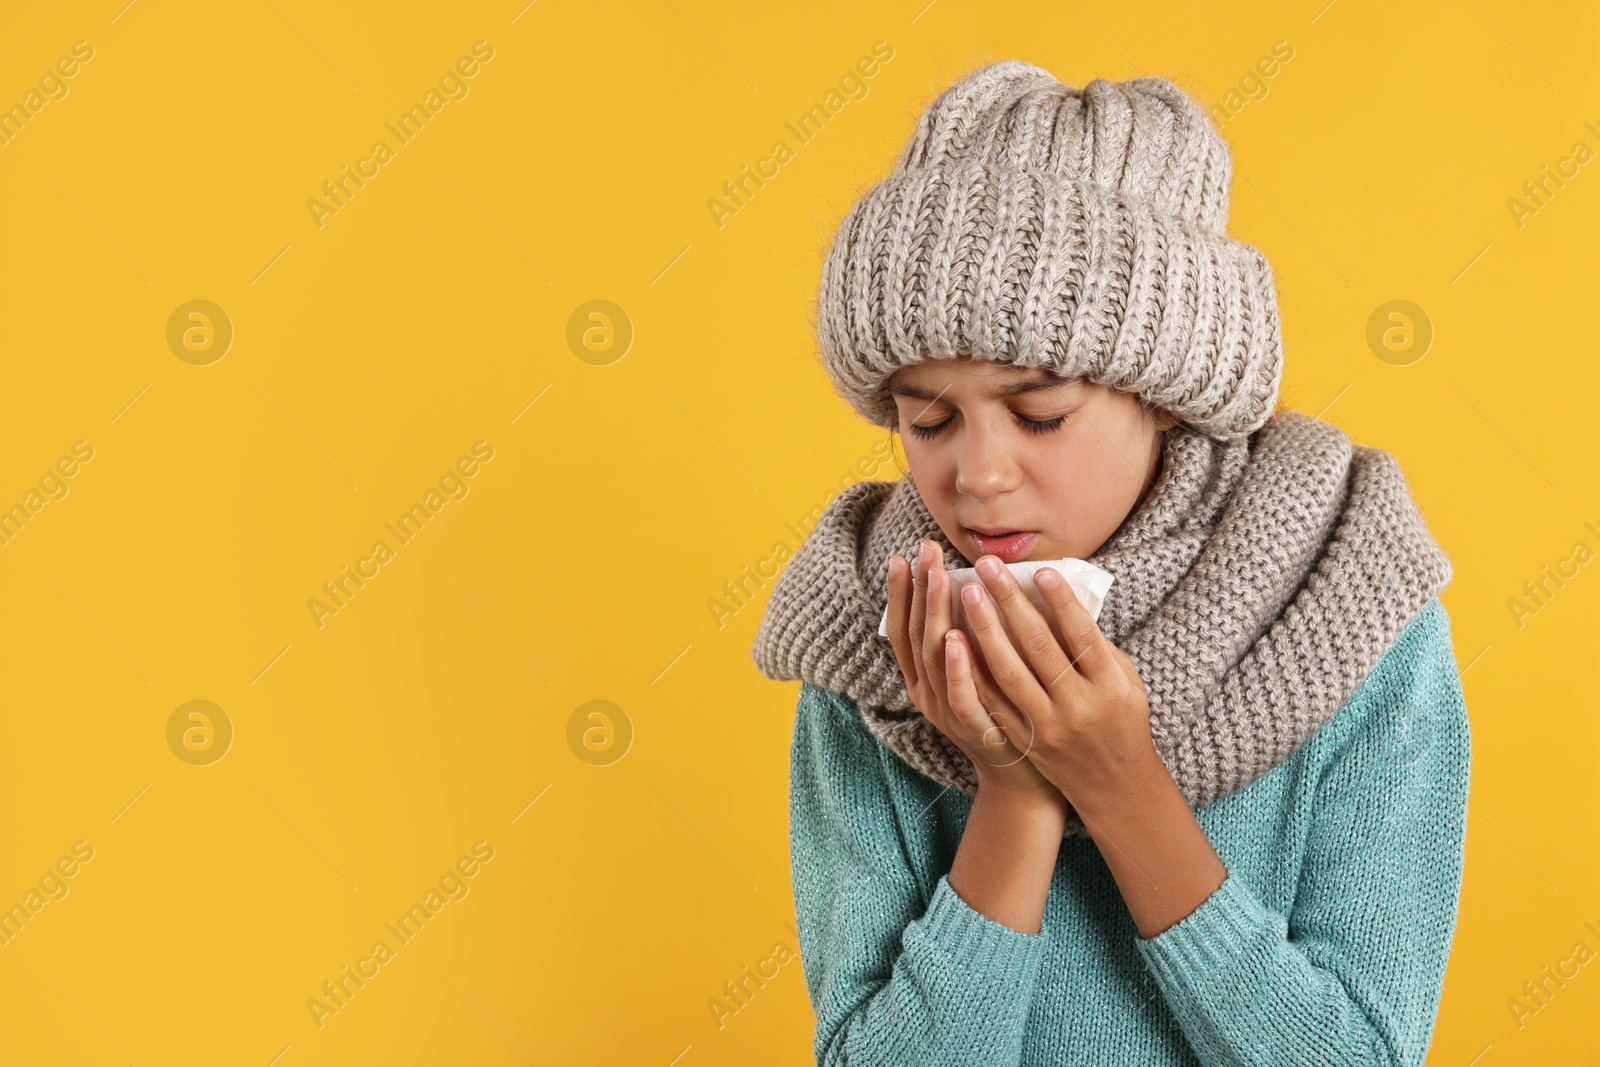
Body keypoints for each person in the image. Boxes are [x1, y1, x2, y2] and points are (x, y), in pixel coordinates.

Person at [750, 60, 1469, 1067]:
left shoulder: (1342, 595)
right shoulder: (876, 634)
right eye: (927, 417)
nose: (978, 473)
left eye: (1038, 413)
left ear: (1164, 388)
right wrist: (1011, 787)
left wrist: (1122, 784)